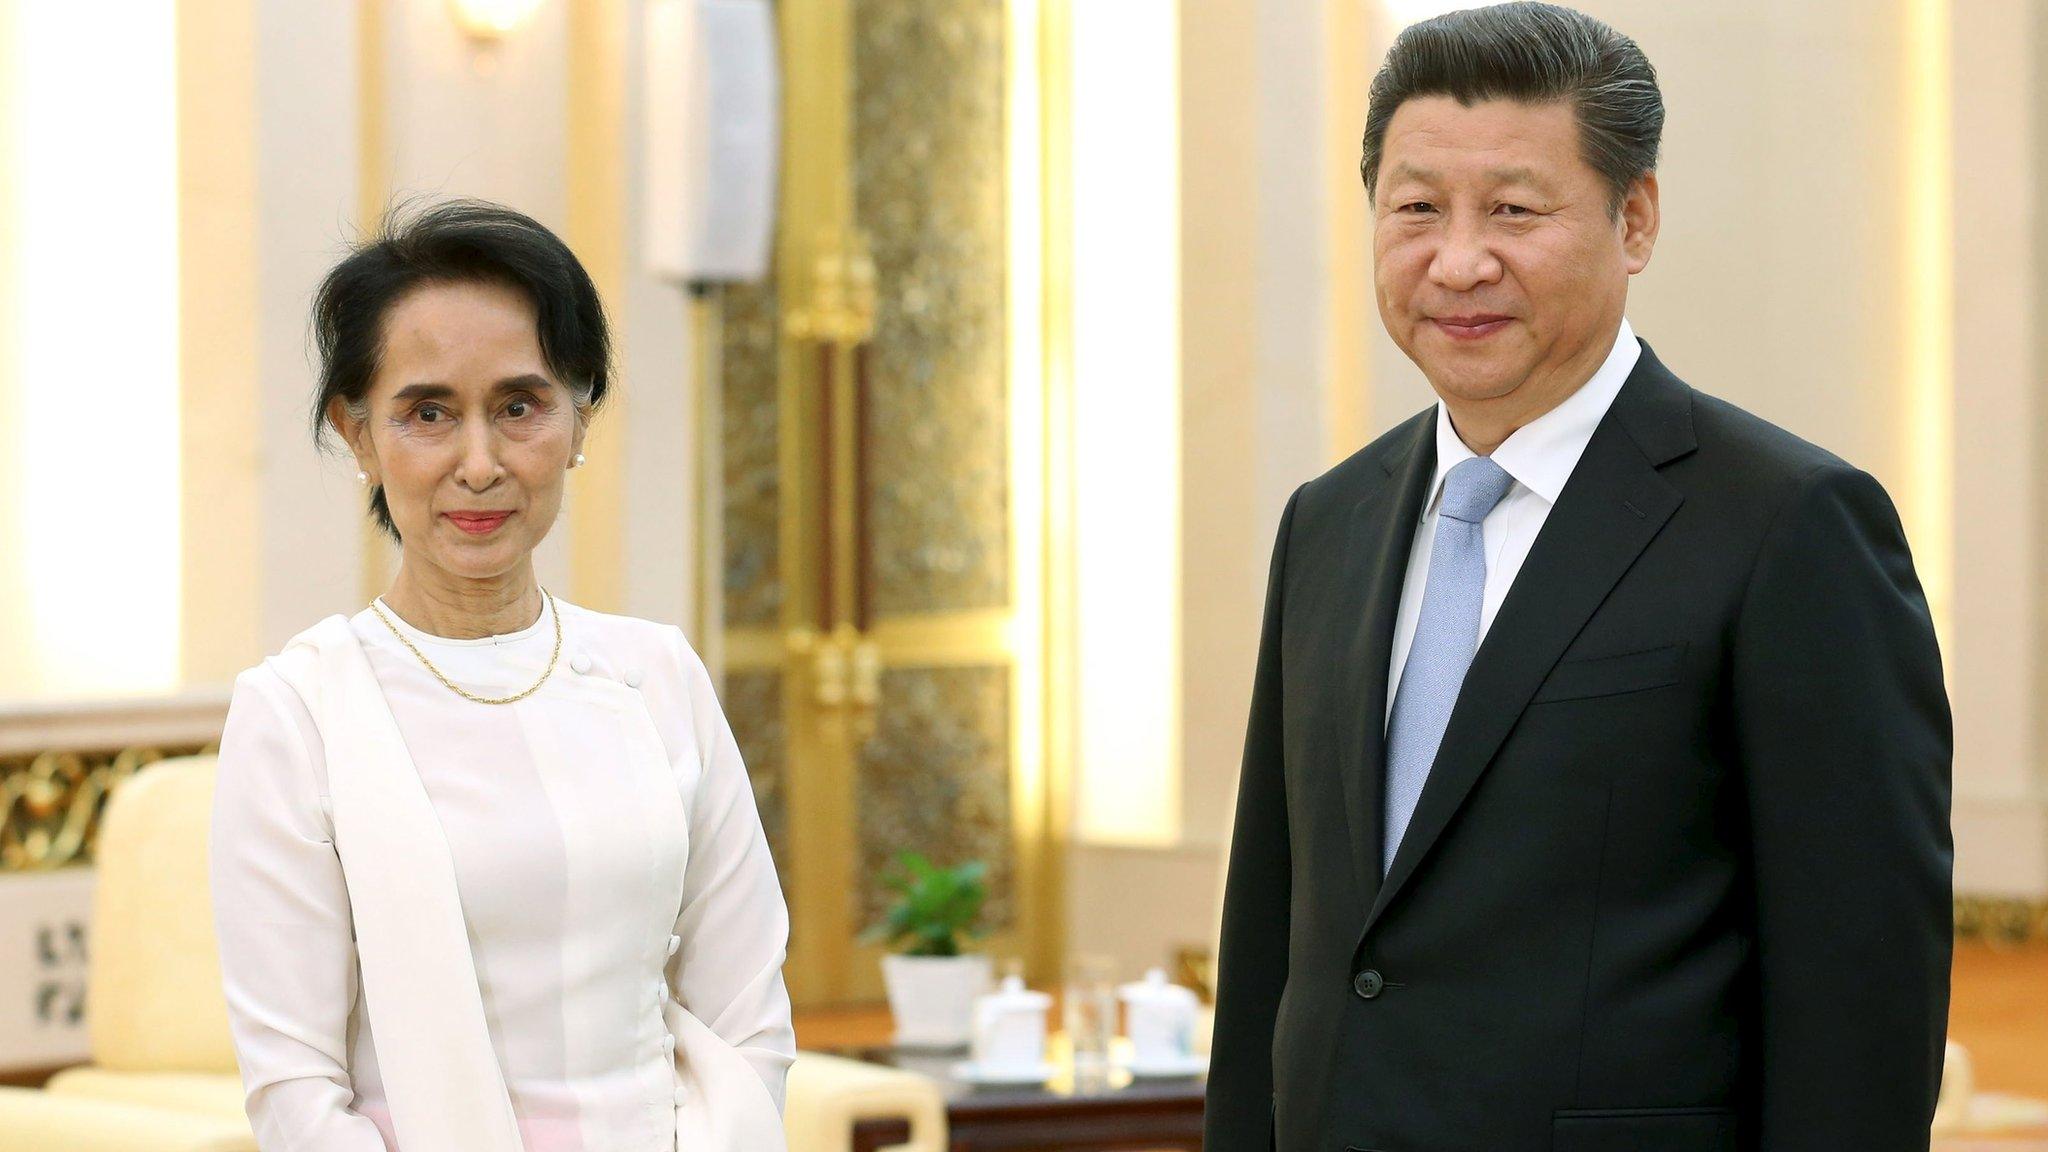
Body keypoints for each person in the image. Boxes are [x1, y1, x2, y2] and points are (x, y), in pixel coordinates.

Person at [1204, 5, 1952, 1150]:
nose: (1457, 260)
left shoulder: (1786, 525)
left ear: (1633, 218)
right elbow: (1272, 936)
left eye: (1512, 209)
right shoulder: (1328, 522)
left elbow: (1858, 996)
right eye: (1414, 209)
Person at [210, 200, 793, 1151]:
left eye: (519, 407)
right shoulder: (299, 714)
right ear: (357, 435)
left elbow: (747, 1018)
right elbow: (295, 1089)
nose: (479, 465)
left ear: (578, 421)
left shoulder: (655, 678)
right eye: (428, 413)